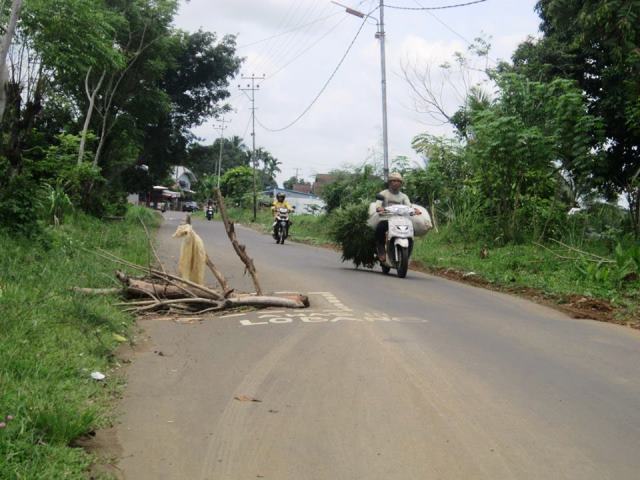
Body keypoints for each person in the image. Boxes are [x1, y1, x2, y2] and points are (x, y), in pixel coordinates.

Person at [374, 172, 421, 262]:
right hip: (387, 219)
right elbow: (378, 204)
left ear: (401, 183)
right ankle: (381, 250)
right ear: (389, 182)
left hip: (402, 220)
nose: (396, 183)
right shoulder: (383, 193)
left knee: (412, 230)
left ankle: (408, 251)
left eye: (398, 181)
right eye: (393, 181)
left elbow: (409, 206)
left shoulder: (404, 196)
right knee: (380, 228)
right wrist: (379, 208)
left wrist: (414, 210)